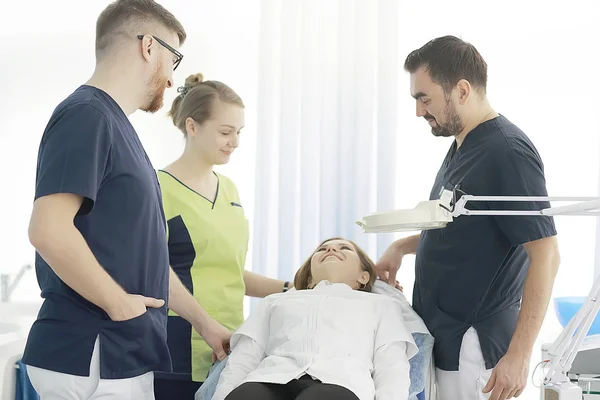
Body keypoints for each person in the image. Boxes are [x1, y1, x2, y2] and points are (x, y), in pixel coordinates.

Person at [22, 1, 230, 399]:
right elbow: (47, 230)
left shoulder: (116, 127)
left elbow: (146, 259)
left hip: (119, 353)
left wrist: (204, 323)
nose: (172, 80)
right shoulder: (87, 115)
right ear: (148, 47)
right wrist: (116, 303)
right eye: (174, 58)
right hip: (95, 351)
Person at [376, 35, 561, 400]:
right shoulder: (462, 144)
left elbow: (547, 254)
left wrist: (519, 356)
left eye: (424, 98)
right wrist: (401, 247)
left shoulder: (506, 152)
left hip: (474, 344)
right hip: (444, 338)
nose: (418, 111)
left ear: (461, 89)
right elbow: (461, 230)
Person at [153, 73, 293, 399]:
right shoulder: (158, 189)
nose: (235, 142)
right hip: (179, 347)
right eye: (226, 132)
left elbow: (230, 272)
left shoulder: (229, 189)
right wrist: (205, 324)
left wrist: (291, 287)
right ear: (192, 126)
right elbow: (154, 273)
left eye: (239, 132)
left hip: (232, 345)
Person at [211, 237, 418, 400]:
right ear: (309, 278)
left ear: (363, 277)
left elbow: (392, 367)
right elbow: (243, 359)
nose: (331, 250)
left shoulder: (382, 306)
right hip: (269, 378)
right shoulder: (274, 302)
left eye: (344, 248)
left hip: (340, 383)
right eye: (322, 249)